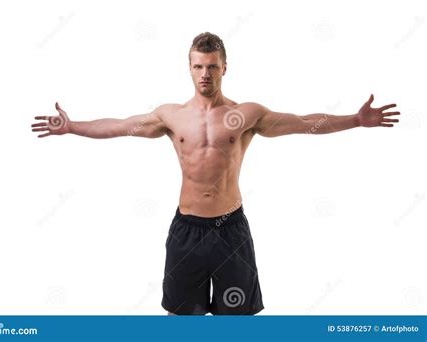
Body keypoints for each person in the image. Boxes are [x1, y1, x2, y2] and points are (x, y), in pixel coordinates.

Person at [31, 32, 400, 315]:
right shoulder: (171, 115)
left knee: (235, 321)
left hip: (230, 229)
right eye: (198, 66)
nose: (204, 73)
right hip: (186, 229)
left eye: (212, 66)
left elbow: (304, 123)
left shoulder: (248, 114)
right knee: (183, 318)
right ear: (189, 68)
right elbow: (117, 126)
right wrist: (71, 126)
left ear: (224, 67)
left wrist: (355, 120)